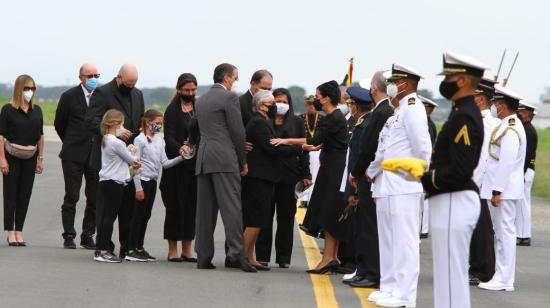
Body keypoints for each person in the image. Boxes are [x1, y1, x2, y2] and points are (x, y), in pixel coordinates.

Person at [421, 52, 488, 308]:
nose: (445, 81)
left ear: (461, 80)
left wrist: (424, 178)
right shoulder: (461, 111)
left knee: (450, 276)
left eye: (449, 76)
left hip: (454, 199)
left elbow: (461, 168)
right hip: (450, 199)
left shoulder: (465, 115)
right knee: (449, 275)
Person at [366, 64, 432, 308]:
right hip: (388, 184)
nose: (390, 85)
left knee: (404, 242)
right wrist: (372, 171)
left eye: (394, 81)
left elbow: (423, 149)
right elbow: (386, 150)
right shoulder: (399, 111)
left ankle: (405, 295)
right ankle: (390, 287)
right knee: (389, 241)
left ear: (404, 84)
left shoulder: (413, 109)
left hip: (405, 185)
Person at [271, 80, 349, 274]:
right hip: (332, 166)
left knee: (329, 212)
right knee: (329, 212)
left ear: (327, 98)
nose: (316, 100)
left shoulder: (332, 117)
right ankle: (331, 257)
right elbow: (322, 142)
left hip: (334, 169)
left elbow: (314, 140)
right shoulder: (335, 116)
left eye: (318, 96)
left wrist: (286, 140)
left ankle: (329, 258)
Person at [193, 63, 256, 272]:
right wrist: (243, 160)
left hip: (204, 157)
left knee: (204, 211)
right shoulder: (229, 98)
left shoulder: (200, 100)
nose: (236, 81)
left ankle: (203, 256)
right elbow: (238, 132)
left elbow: (194, 127)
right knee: (231, 208)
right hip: (224, 158)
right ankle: (237, 254)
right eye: (235, 78)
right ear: (226, 78)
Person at [86, 64, 145, 258]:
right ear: (119, 78)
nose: (131, 87)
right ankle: (104, 247)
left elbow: (139, 123)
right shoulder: (103, 93)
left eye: (134, 83)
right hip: (108, 160)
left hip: (127, 161)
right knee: (106, 211)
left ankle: (126, 247)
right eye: (128, 83)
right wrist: (115, 132)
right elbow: (91, 121)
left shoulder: (138, 94)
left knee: (128, 209)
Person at [242, 89, 304, 270]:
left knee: (259, 220)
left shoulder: (264, 121)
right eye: (272, 105)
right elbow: (272, 148)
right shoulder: (258, 123)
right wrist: (300, 149)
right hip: (258, 178)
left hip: (266, 177)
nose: (275, 108)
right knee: (255, 220)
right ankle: (242, 255)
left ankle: (250, 256)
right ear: (262, 106)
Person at [344, 71, 393, 291]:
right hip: (370, 174)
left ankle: (371, 273)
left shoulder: (382, 112)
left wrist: (356, 172)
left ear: (373, 89)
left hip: (370, 176)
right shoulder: (381, 110)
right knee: (365, 227)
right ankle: (365, 270)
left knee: (369, 227)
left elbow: (369, 148)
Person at [255, 88, 311, 268]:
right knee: (264, 217)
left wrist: (306, 173)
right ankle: (262, 256)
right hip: (267, 175)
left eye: (285, 102)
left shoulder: (296, 121)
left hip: (289, 176)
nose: (281, 105)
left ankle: (283, 258)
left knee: (286, 219)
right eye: (277, 101)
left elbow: (304, 151)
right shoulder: (265, 121)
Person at [478, 85, 526, 292]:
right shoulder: (504, 125)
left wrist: (497, 191)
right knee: (501, 233)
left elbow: (506, 162)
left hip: (504, 190)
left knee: (504, 233)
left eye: (497, 103)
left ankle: (505, 278)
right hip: (501, 189)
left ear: (504, 106)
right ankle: (501, 275)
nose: (495, 106)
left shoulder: (511, 127)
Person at [126, 109, 185, 262]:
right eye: (157, 123)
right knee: (138, 216)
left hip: (152, 181)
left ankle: (139, 247)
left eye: (161, 123)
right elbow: (135, 164)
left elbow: (165, 163)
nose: (159, 126)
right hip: (142, 181)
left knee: (146, 215)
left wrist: (182, 157)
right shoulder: (140, 140)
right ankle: (131, 248)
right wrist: (138, 188)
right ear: (147, 122)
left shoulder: (160, 140)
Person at [54, 64, 99, 249]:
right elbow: (59, 124)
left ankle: (88, 234)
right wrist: (71, 141)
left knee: (94, 196)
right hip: (73, 153)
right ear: (81, 77)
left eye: (96, 74)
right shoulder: (69, 96)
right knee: (72, 195)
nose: (94, 78)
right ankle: (68, 234)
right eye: (90, 75)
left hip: (95, 153)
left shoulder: (101, 96)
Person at [338, 87, 378, 288]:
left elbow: (357, 159)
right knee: (359, 230)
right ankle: (361, 270)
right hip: (358, 182)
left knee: (363, 231)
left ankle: (365, 270)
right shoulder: (362, 122)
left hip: (359, 183)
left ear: (355, 106)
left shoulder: (364, 124)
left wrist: (352, 191)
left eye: (351, 104)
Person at [0, 74, 44, 246]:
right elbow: (1, 136)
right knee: (10, 194)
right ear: (19, 89)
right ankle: (10, 231)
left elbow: (40, 136)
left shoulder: (37, 110)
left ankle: (19, 230)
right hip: (11, 156)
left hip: (30, 156)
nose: (30, 92)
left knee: (25, 194)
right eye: (27, 88)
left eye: (33, 88)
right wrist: (2, 159)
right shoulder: (8, 109)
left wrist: (40, 159)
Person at [160, 73, 200, 262]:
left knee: (192, 208)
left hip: (194, 166)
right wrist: (180, 148)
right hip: (176, 166)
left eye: (193, 90)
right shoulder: (172, 110)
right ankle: (172, 249)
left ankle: (187, 248)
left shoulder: (198, 108)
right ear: (179, 90)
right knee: (175, 207)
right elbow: (168, 137)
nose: (190, 93)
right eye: (186, 90)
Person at [94, 109, 141, 263]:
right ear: (115, 124)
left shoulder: (106, 139)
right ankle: (103, 250)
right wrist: (133, 152)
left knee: (105, 217)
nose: (123, 127)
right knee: (108, 218)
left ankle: (101, 249)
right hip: (114, 183)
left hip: (106, 181)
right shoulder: (117, 142)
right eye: (121, 124)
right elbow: (133, 161)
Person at [469, 77, 499, 285]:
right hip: (474, 182)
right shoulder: (477, 119)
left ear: (480, 99)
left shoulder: (488, 122)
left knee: (481, 229)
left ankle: (482, 269)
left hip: (480, 183)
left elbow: (484, 156)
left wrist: (474, 183)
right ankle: (476, 266)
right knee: (474, 227)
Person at [516, 101, 538, 246]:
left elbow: (527, 154)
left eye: (521, 112)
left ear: (527, 114)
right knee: (522, 203)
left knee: (523, 203)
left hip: (526, 170)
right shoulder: (525, 128)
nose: (519, 114)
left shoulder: (528, 130)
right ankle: (522, 234)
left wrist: (521, 174)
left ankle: (524, 235)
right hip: (526, 170)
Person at [299, 95, 324, 208]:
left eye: (313, 104)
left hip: (318, 150)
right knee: (306, 173)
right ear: (306, 105)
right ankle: (304, 198)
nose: (311, 107)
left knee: (316, 174)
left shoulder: (323, 119)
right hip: (304, 149)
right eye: (309, 104)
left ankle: (313, 198)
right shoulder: (300, 118)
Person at [419, 95, 438, 239]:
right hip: (428, 162)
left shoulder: (426, 123)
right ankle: (423, 228)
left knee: (423, 198)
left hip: (424, 163)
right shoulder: (429, 123)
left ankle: (423, 228)